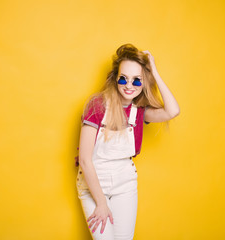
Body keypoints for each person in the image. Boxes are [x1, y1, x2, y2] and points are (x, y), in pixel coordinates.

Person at [76, 43, 180, 240]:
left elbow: (172, 111)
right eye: (123, 78)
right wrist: (101, 203)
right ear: (116, 78)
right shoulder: (97, 105)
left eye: (137, 80)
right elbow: (85, 160)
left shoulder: (139, 112)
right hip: (94, 185)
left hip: (125, 184)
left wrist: (154, 72)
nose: (129, 85)